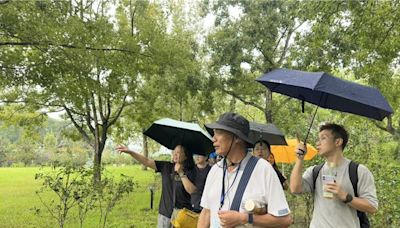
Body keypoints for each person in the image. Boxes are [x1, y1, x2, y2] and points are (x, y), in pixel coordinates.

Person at [198, 112, 292, 228]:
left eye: (219, 133)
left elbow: (285, 220)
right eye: (214, 133)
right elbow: (206, 212)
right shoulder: (215, 170)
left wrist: (243, 218)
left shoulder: (263, 169)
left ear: (236, 137)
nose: (213, 139)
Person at [289, 123, 378, 227]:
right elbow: (295, 189)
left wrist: (345, 196)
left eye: (323, 138)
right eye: (318, 139)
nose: (318, 143)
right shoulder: (314, 171)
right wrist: (300, 159)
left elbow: (372, 206)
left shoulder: (358, 171)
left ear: (338, 142)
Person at [117, 144, 197, 228]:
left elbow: (191, 190)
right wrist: (130, 152)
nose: (175, 154)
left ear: (186, 156)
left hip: (182, 215)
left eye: (178, 152)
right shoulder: (166, 166)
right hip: (165, 213)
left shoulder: (191, 171)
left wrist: (181, 173)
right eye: (174, 152)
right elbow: (147, 161)